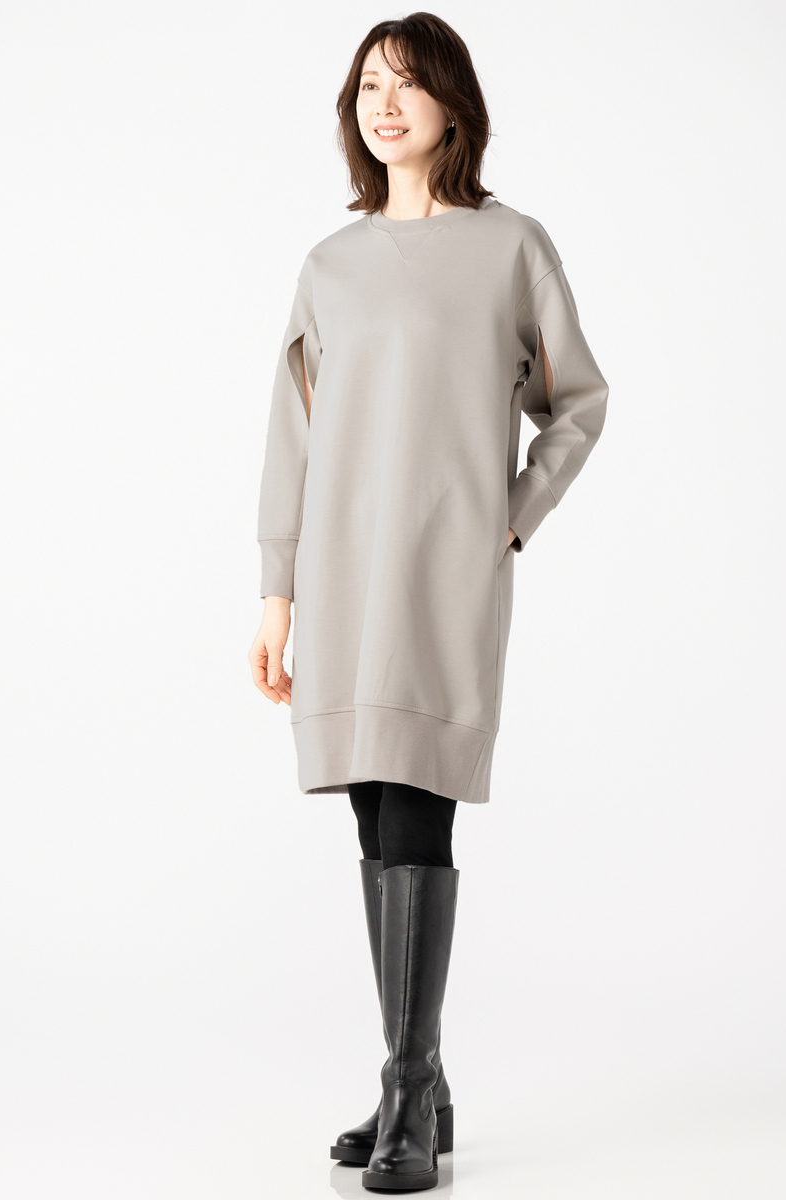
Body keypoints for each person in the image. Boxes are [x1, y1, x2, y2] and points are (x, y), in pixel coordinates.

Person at [249, 13, 608, 1191]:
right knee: (371, 807)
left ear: (455, 103)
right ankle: (422, 1081)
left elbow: (580, 402)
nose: (385, 105)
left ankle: (407, 1087)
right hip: (342, 574)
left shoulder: (511, 248)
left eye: (408, 84)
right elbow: (293, 436)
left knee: (416, 807)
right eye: (368, 86)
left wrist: (514, 513)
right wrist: (277, 587)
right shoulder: (329, 266)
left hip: (447, 570)